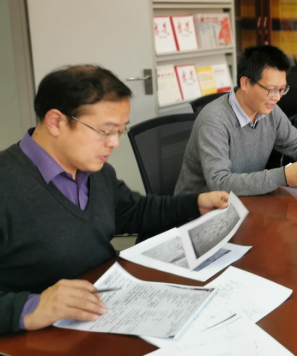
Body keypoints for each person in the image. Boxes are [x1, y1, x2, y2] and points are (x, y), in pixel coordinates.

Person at [0, 66, 230, 335]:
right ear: (55, 122)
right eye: (104, 131)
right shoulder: (7, 185)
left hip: (108, 312)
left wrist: (194, 203)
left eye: (120, 131)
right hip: (43, 337)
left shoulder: (96, 171)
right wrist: (31, 308)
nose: (114, 143)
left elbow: (132, 211)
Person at [175, 46, 297, 197]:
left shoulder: (269, 111)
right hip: (199, 210)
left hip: (245, 199)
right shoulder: (214, 121)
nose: (277, 97)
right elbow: (219, 183)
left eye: (282, 90)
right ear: (245, 83)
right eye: (272, 89)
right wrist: (283, 176)